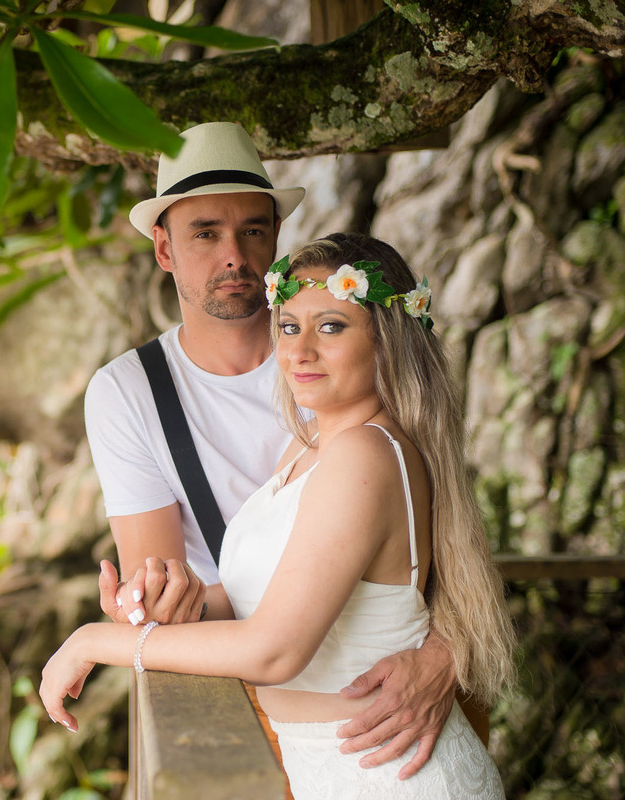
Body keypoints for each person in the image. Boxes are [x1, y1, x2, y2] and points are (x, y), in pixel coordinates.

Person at [43, 232, 517, 797]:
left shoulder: (363, 456)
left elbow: (275, 649)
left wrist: (95, 642)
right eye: (289, 326)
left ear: (387, 340)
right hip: (330, 768)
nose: (299, 351)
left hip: (391, 776)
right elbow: (263, 601)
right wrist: (162, 604)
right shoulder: (310, 445)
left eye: (332, 326)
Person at [82, 121, 461, 774]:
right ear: (164, 248)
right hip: (239, 698)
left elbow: (445, 518)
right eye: (205, 232)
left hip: (384, 712)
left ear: (277, 238)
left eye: (253, 229)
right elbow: (168, 604)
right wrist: (142, 607)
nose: (235, 255)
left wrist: (447, 654)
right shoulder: (129, 393)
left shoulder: (349, 366)